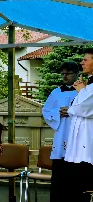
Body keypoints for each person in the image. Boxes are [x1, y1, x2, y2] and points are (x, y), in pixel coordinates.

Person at [42, 61, 78, 202]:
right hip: (62, 134)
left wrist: (72, 112)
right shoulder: (56, 92)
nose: (64, 76)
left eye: (68, 73)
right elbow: (45, 111)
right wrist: (58, 113)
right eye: (62, 73)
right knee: (59, 177)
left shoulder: (83, 91)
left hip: (77, 135)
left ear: (76, 74)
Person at [64, 48, 93, 201]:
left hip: (89, 140)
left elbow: (86, 108)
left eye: (85, 60)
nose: (82, 62)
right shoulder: (88, 85)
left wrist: (81, 91)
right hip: (80, 140)